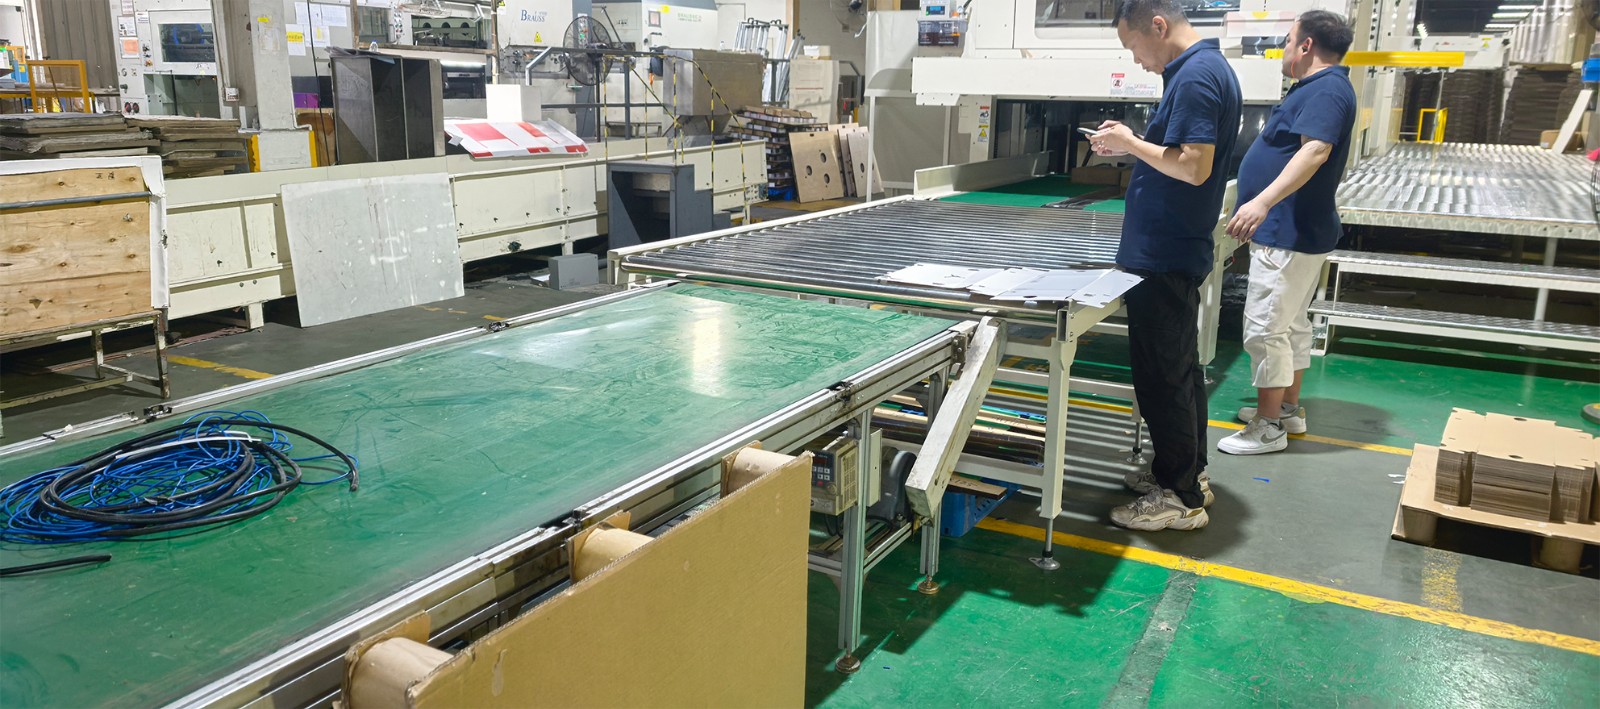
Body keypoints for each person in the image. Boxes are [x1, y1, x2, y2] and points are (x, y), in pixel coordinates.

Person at [1088, 0, 1241, 531]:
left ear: (1158, 26)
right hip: (1171, 247)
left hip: (1164, 252)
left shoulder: (1196, 76)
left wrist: (1132, 142)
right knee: (1179, 371)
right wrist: (1133, 147)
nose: (1136, 60)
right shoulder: (1203, 69)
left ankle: (1178, 498)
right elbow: (1178, 157)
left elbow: (1194, 168)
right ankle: (1187, 473)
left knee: (1162, 378)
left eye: (1134, 46)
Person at [1217, 10, 1357, 456]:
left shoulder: (1327, 89)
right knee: (1292, 325)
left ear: (1306, 45)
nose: (1283, 48)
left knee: (1266, 329)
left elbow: (1315, 151)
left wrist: (1261, 202)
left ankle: (1268, 427)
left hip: (1287, 232)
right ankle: (1288, 410)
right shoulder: (1319, 87)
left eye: (1288, 39)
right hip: (1298, 231)